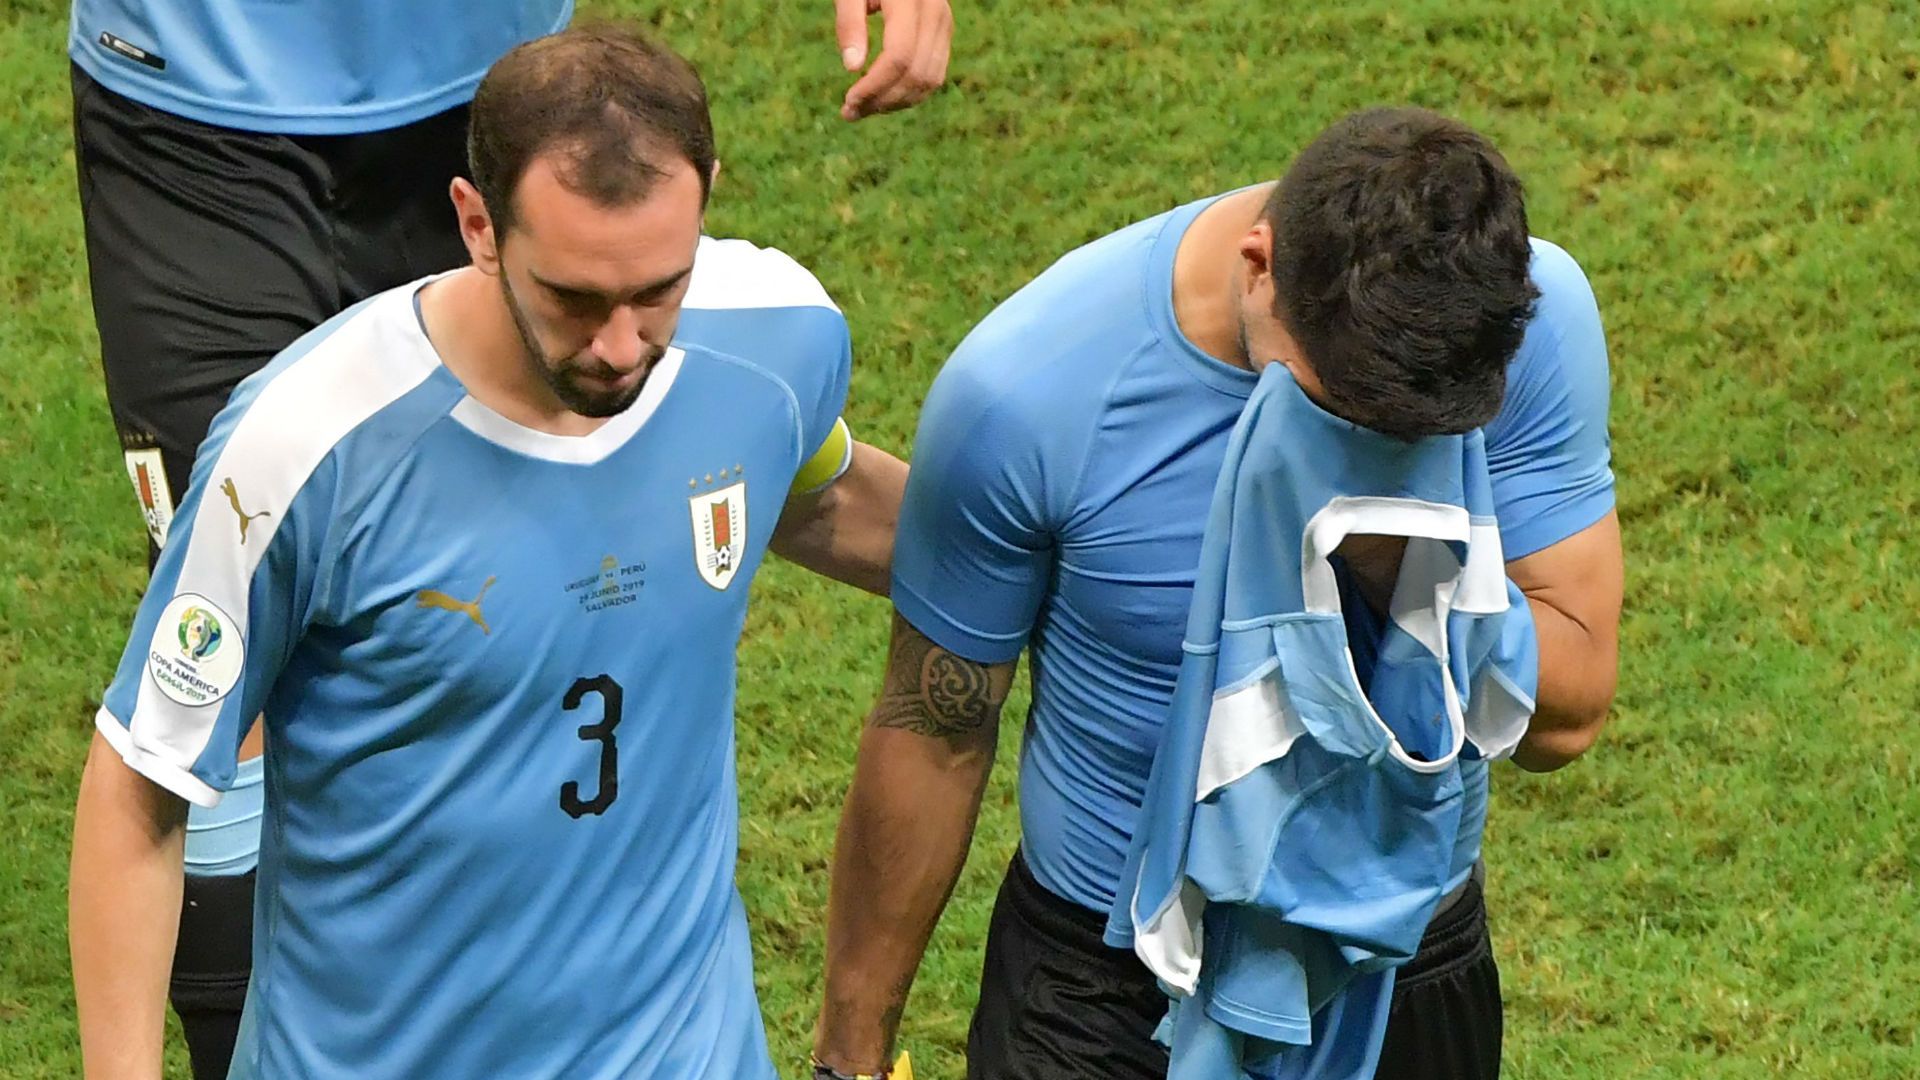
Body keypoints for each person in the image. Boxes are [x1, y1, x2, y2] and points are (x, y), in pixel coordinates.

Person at [68, 0, 949, 1073]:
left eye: (657, 291)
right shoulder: (305, 446)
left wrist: (1076, 561)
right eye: (576, 300)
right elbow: (141, 783)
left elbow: (818, 498)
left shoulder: (775, 336)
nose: (624, 348)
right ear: (476, 225)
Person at [811, 106, 1623, 1080]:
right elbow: (933, 729)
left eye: (1417, 431)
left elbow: (1566, 716)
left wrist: (1381, 542)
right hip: (1106, 998)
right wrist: (847, 1062)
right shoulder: (1029, 396)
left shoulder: (1527, 316)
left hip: (1404, 964)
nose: (1385, 447)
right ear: (1258, 266)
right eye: (1347, 408)